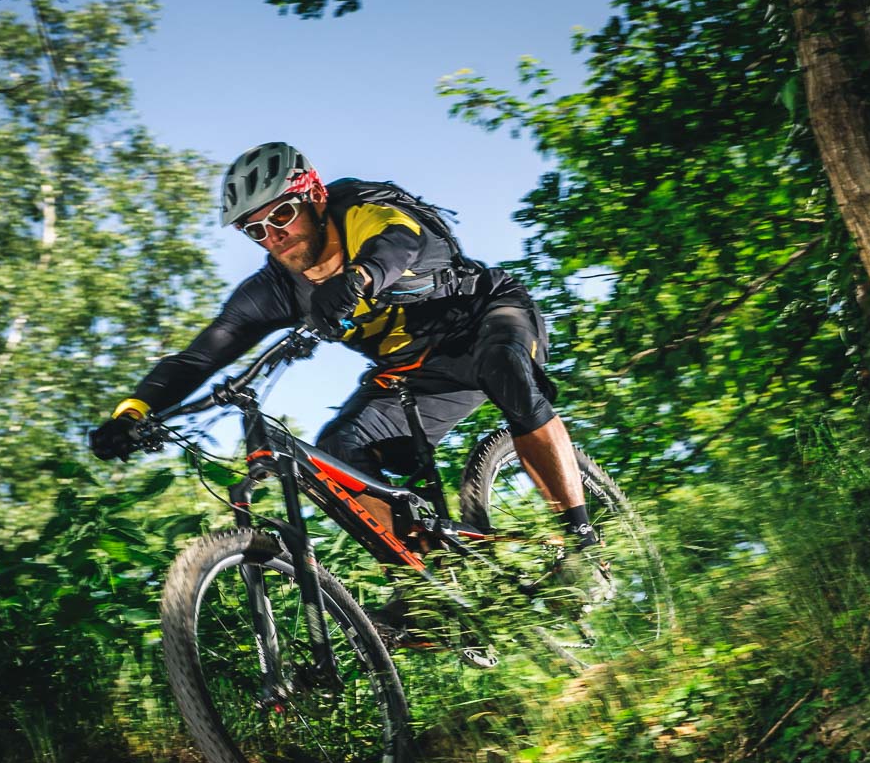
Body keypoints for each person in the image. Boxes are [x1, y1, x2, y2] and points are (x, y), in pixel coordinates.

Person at [89, 142, 605, 624]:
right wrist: (133, 410)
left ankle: (584, 546)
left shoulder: (362, 209)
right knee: (338, 452)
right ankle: (430, 585)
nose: (274, 236)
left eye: (281, 215)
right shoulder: (276, 287)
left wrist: (358, 279)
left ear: (313, 195)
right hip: (416, 374)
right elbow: (201, 355)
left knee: (504, 367)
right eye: (255, 229)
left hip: (487, 319)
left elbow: (399, 242)